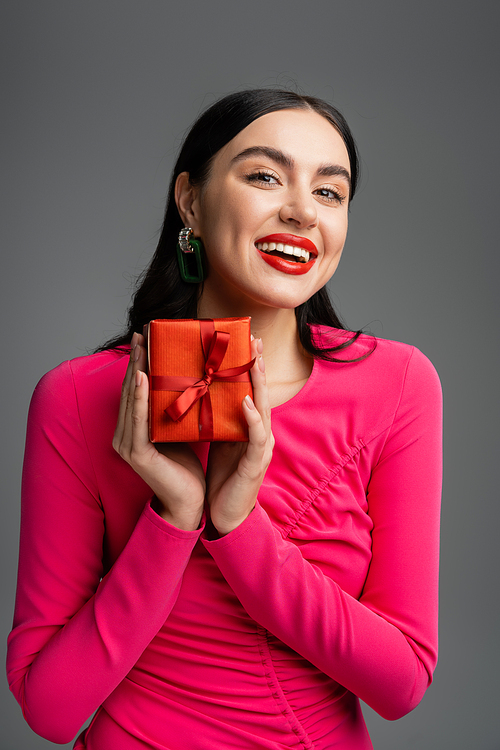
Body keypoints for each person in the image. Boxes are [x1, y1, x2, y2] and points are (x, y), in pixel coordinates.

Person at [7, 89, 442, 750]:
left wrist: (238, 526)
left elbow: (401, 685)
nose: (299, 211)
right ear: (190, 201)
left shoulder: (398, 384)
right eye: (265, 176)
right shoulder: (77, 397)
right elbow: (51, 710)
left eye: (330, 192)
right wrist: (174, 515)